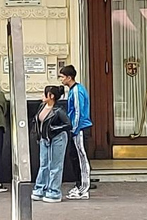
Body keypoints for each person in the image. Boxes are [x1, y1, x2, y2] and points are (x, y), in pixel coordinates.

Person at [32, 85, 71, 203]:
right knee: (44, 163)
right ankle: (41, 188)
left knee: (55, 165)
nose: (42, 96)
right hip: (44, 138)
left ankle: (54, 191)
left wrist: (54, 129)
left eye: (45, 94)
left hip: (57, 139)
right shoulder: (42, 106)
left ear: (51, 96)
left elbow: (68, 124)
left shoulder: (58, 110)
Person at [59, 65, 92, 200]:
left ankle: (83, 188)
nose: (60, 79)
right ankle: (79, 185)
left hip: (79, 129)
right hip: (76, 129)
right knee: (75, 157)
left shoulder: (77, 91)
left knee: (81, 157)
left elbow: (78, 112)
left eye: (62, 77)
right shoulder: (73, 90)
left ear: (69, 77)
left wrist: (74, 129)